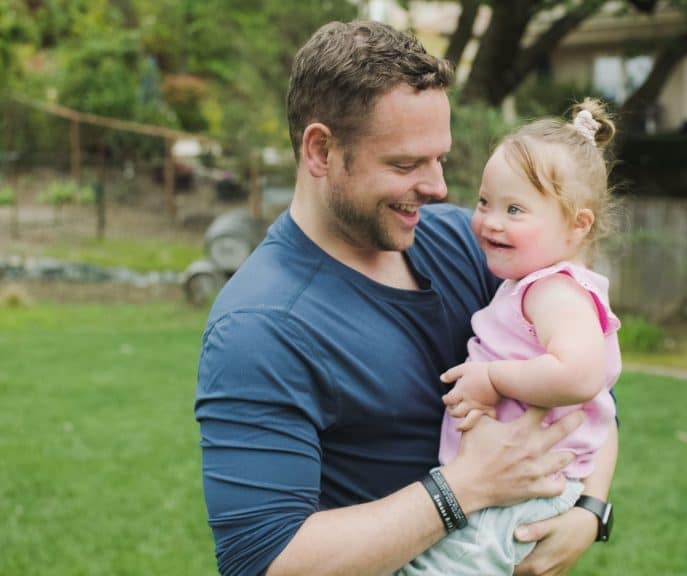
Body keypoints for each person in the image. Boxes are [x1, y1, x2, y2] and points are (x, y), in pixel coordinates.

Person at [194, 20, 617, 576]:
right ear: (321, 150)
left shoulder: (466, 244)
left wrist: (590, 510)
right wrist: (463, 488)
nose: (438, 186)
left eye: (439, 158)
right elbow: (263, 561)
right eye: (405, 164)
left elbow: (585, 380)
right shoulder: (260, 327)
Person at [398, 99, 622, 576]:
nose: (490, 221)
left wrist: (493, 379)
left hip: (521, 491)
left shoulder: (554, 292)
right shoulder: (530, 283)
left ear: (577, 225)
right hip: (509, 484)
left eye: (515, 209)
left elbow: (583, 376)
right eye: (485, 202)